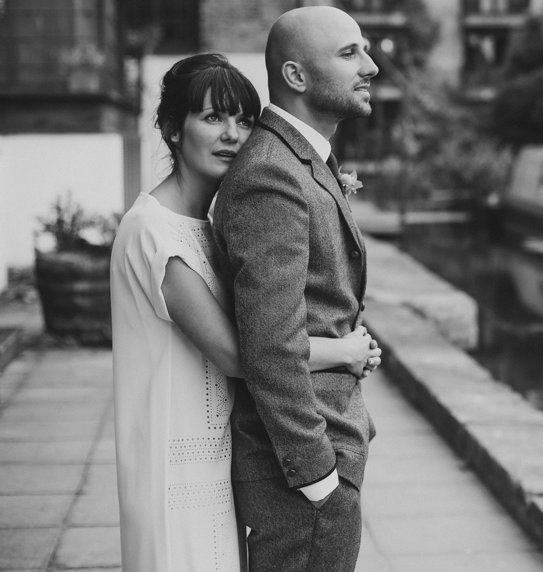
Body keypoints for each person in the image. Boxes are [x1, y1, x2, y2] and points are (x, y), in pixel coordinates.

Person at [110, 53, 381, 572]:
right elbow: (238, 354)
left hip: (217, 451)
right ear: (171, 130)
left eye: (243, 119)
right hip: (176, 456)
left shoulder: (206, 224)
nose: (232, 134)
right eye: (212, 118)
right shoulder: (154, 232)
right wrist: (345, 351)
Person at [212, 6, 379, 572]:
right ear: (296, 77)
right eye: (349, 53)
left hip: (329, 451)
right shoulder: (271, 173)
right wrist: (316, 476)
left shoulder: (304, 162)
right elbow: (270, 343)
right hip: (302, 471)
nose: (371, 66)